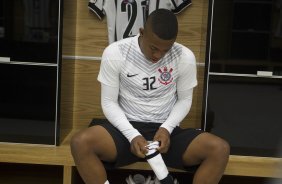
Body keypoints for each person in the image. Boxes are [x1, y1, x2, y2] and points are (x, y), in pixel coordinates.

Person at [70, 9, 230, 184]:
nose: (158, 55)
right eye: (154, 48)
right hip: (124, 130)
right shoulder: (116, 52)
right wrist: (132, 135)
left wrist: (166, 128)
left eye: (165, 50)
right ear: (142, 32)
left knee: (219, 149)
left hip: (166, 132)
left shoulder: (184, 56)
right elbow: (109, 102)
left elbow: (185, 100)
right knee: (80, 142)